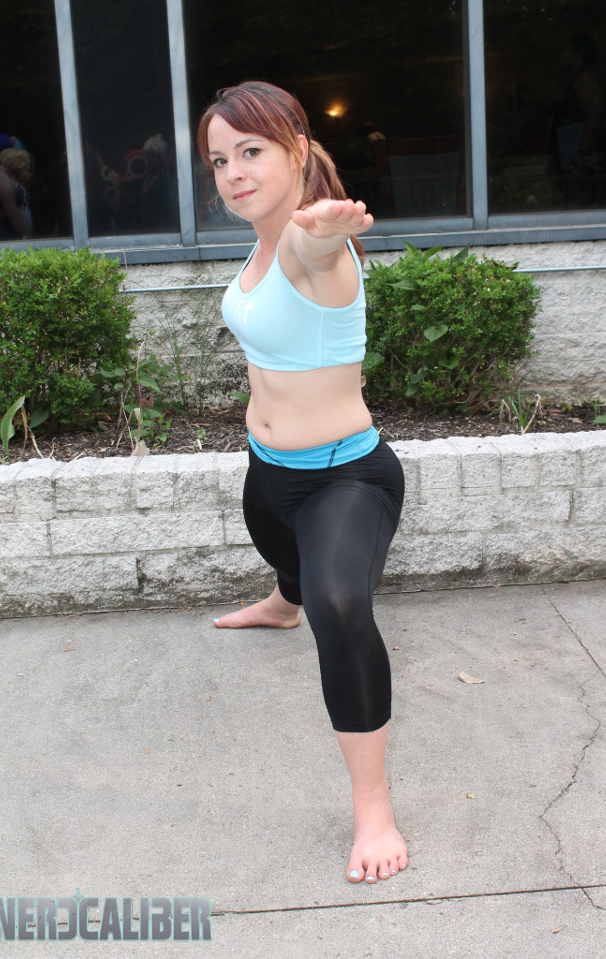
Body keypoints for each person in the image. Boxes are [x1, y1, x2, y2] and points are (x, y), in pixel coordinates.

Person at [196, 81, 408, 885]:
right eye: (219, 160)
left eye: (250, 151)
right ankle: (280, 603)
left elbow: (309, 252)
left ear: (293, 147)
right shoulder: (259, 244)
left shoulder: (304, 244)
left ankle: (373, 810)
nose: (233, 173)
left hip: (346, 479)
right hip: (268, 474)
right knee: (289, 566)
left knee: (339, 603)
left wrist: (324, 233)